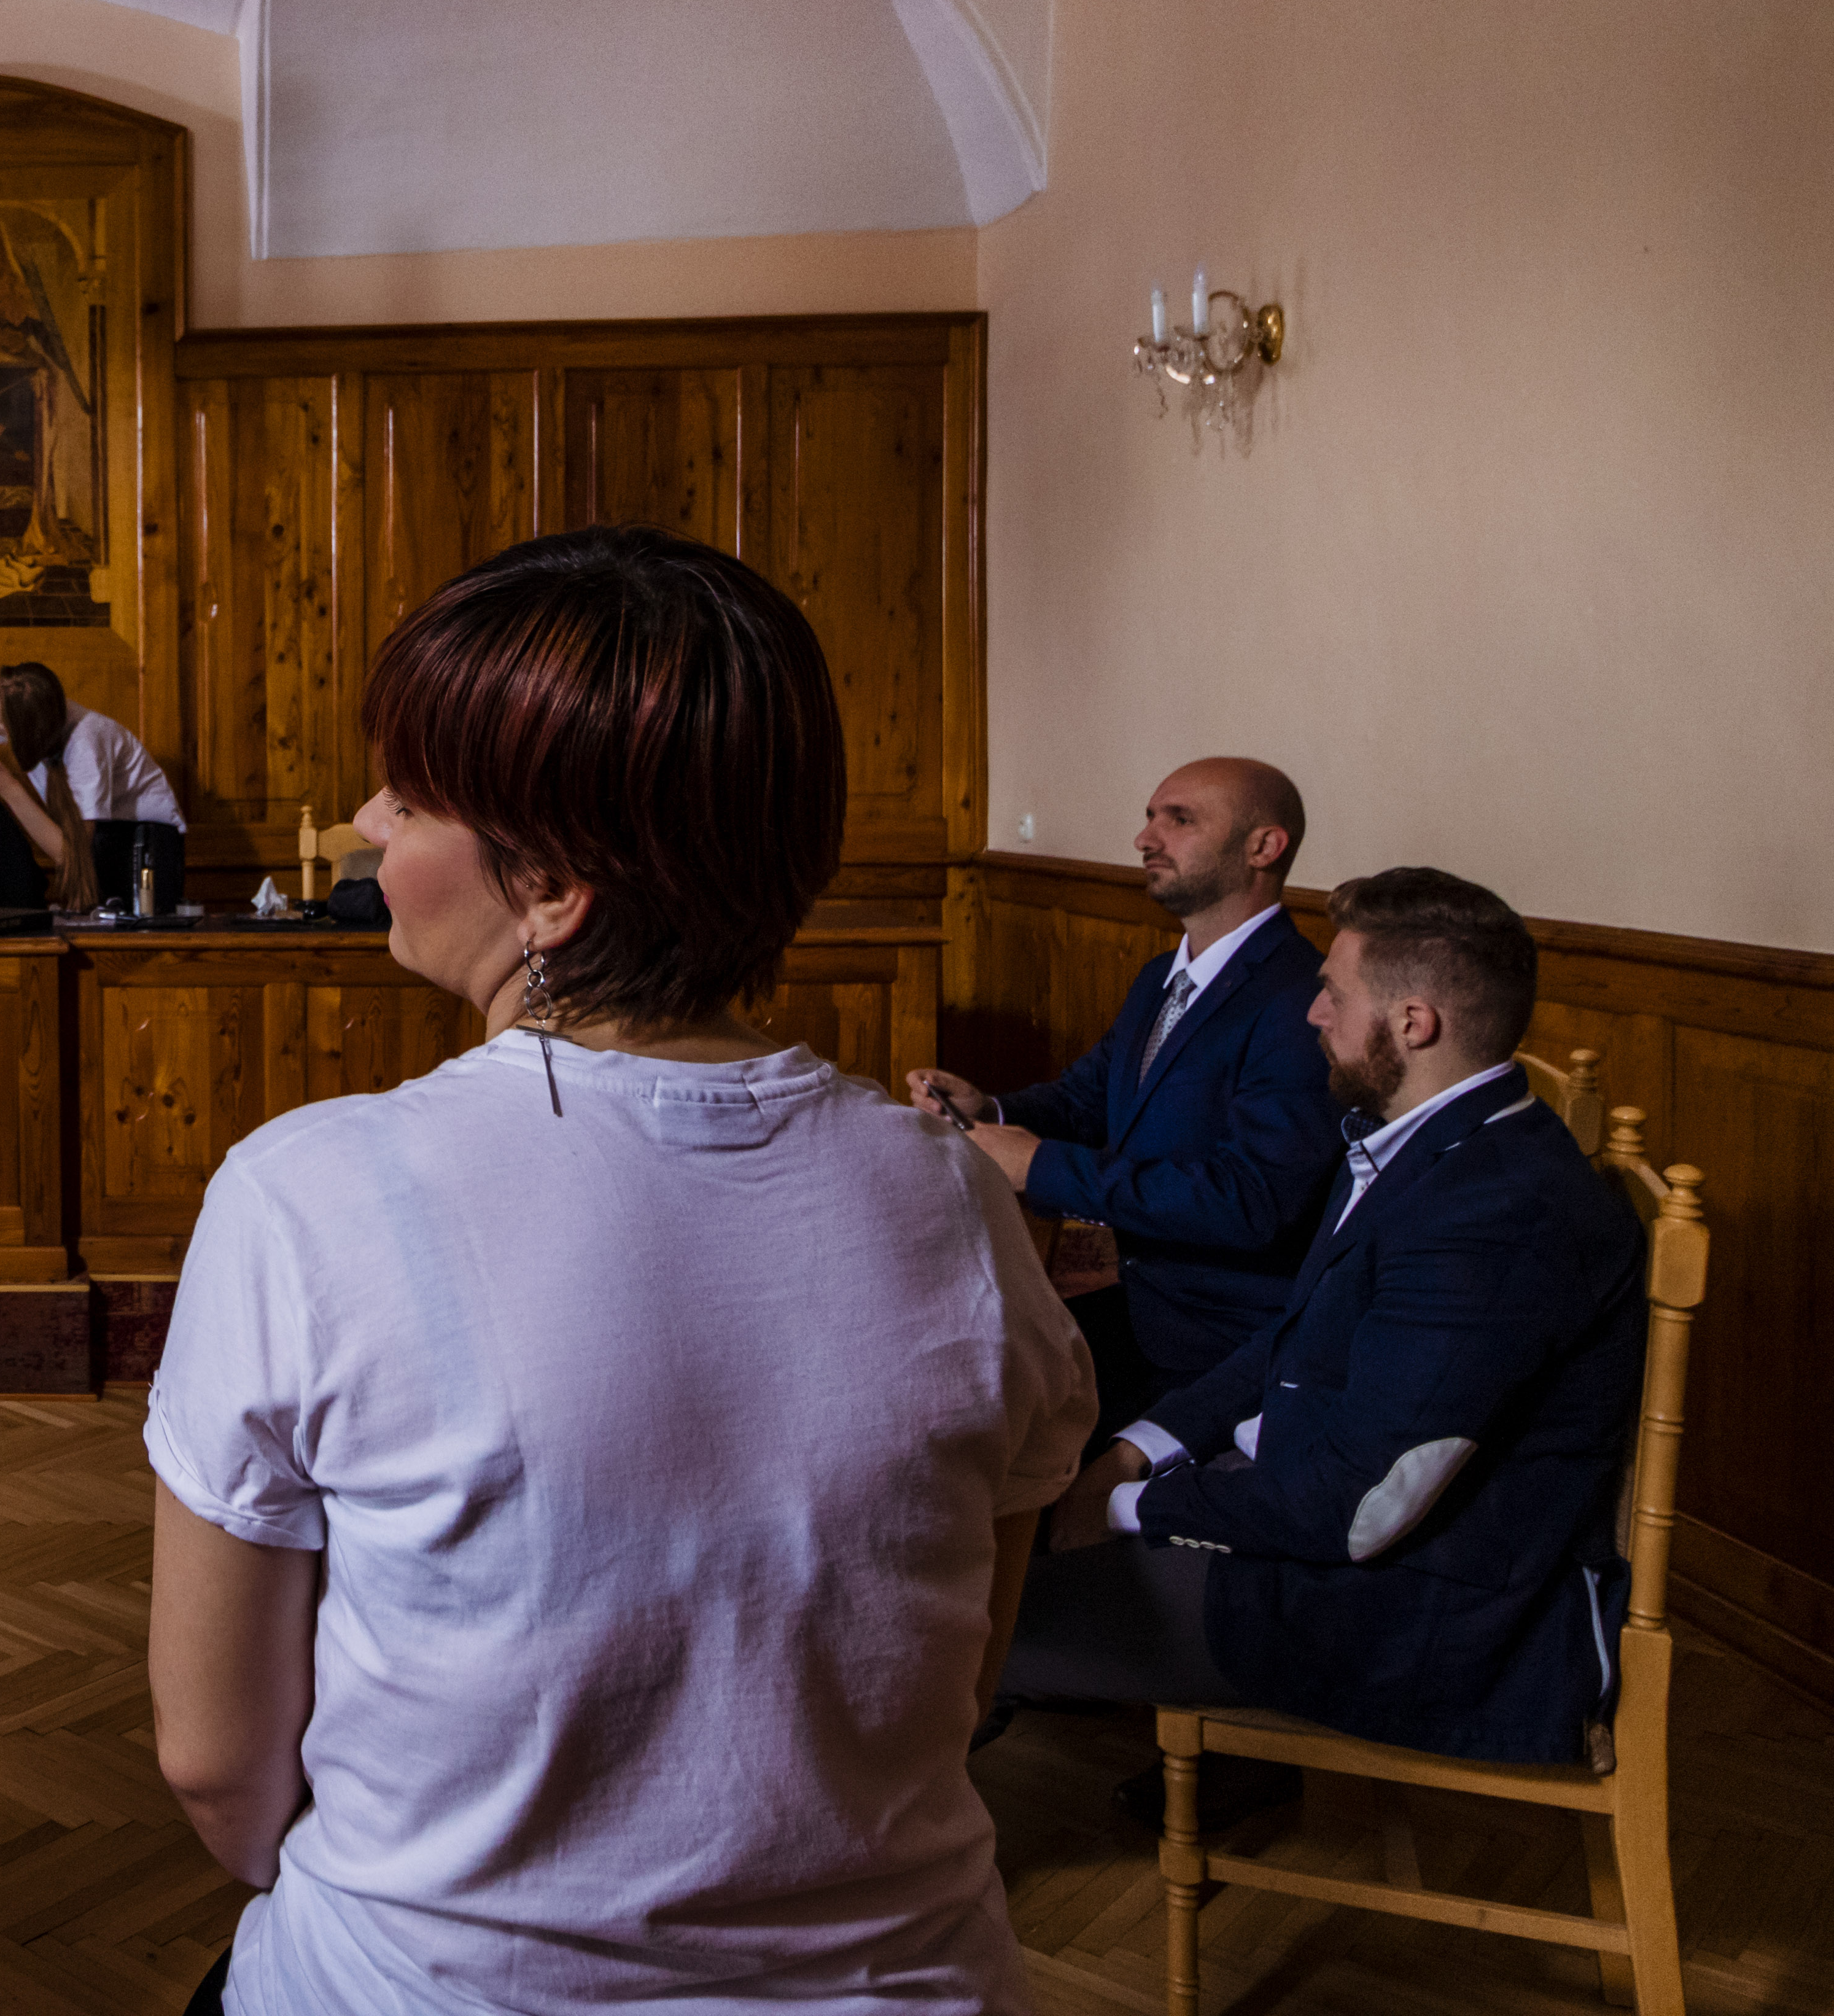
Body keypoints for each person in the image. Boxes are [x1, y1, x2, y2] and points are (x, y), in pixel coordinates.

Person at [144, 527, 1091, 2015]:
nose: (371, 825)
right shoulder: (957, 1202)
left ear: (555, 886)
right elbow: (953, 1688)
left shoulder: (309, 1191)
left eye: (414, 793)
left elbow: (218, 1761)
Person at [1006, 868, 1646, 1788]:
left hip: (1416, 1616)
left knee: (974, 1602)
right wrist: (1133, 1456)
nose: (1312, 1014)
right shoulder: (1426, 1136)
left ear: (1414, 1024)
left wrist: (1117, 1508)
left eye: (1334, 994)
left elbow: (1359, 1511)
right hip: (1323, 1522)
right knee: (991, 1543)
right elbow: (1291, 1340)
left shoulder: (1497, 1213)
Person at [907, 760, 1342, 1433]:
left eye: (1180, 819)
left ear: (1264, 846)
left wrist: (1039, 1165)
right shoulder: (1160, 976)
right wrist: (989, 1110)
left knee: (1011, 1430)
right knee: (954, 1389)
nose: (1145, 838)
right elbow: (1089, 1099)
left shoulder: (1297, 1000)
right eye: (1149, 816)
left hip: (1221, 1343)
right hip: (1140, 1303)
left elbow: (1253, 1202)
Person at [0, 664, 182, 911]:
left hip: (143, 842)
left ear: (24, 729)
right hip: (99, 839)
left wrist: (7, 788)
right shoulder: (23, 706)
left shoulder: (86, 745)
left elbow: (73, 856)